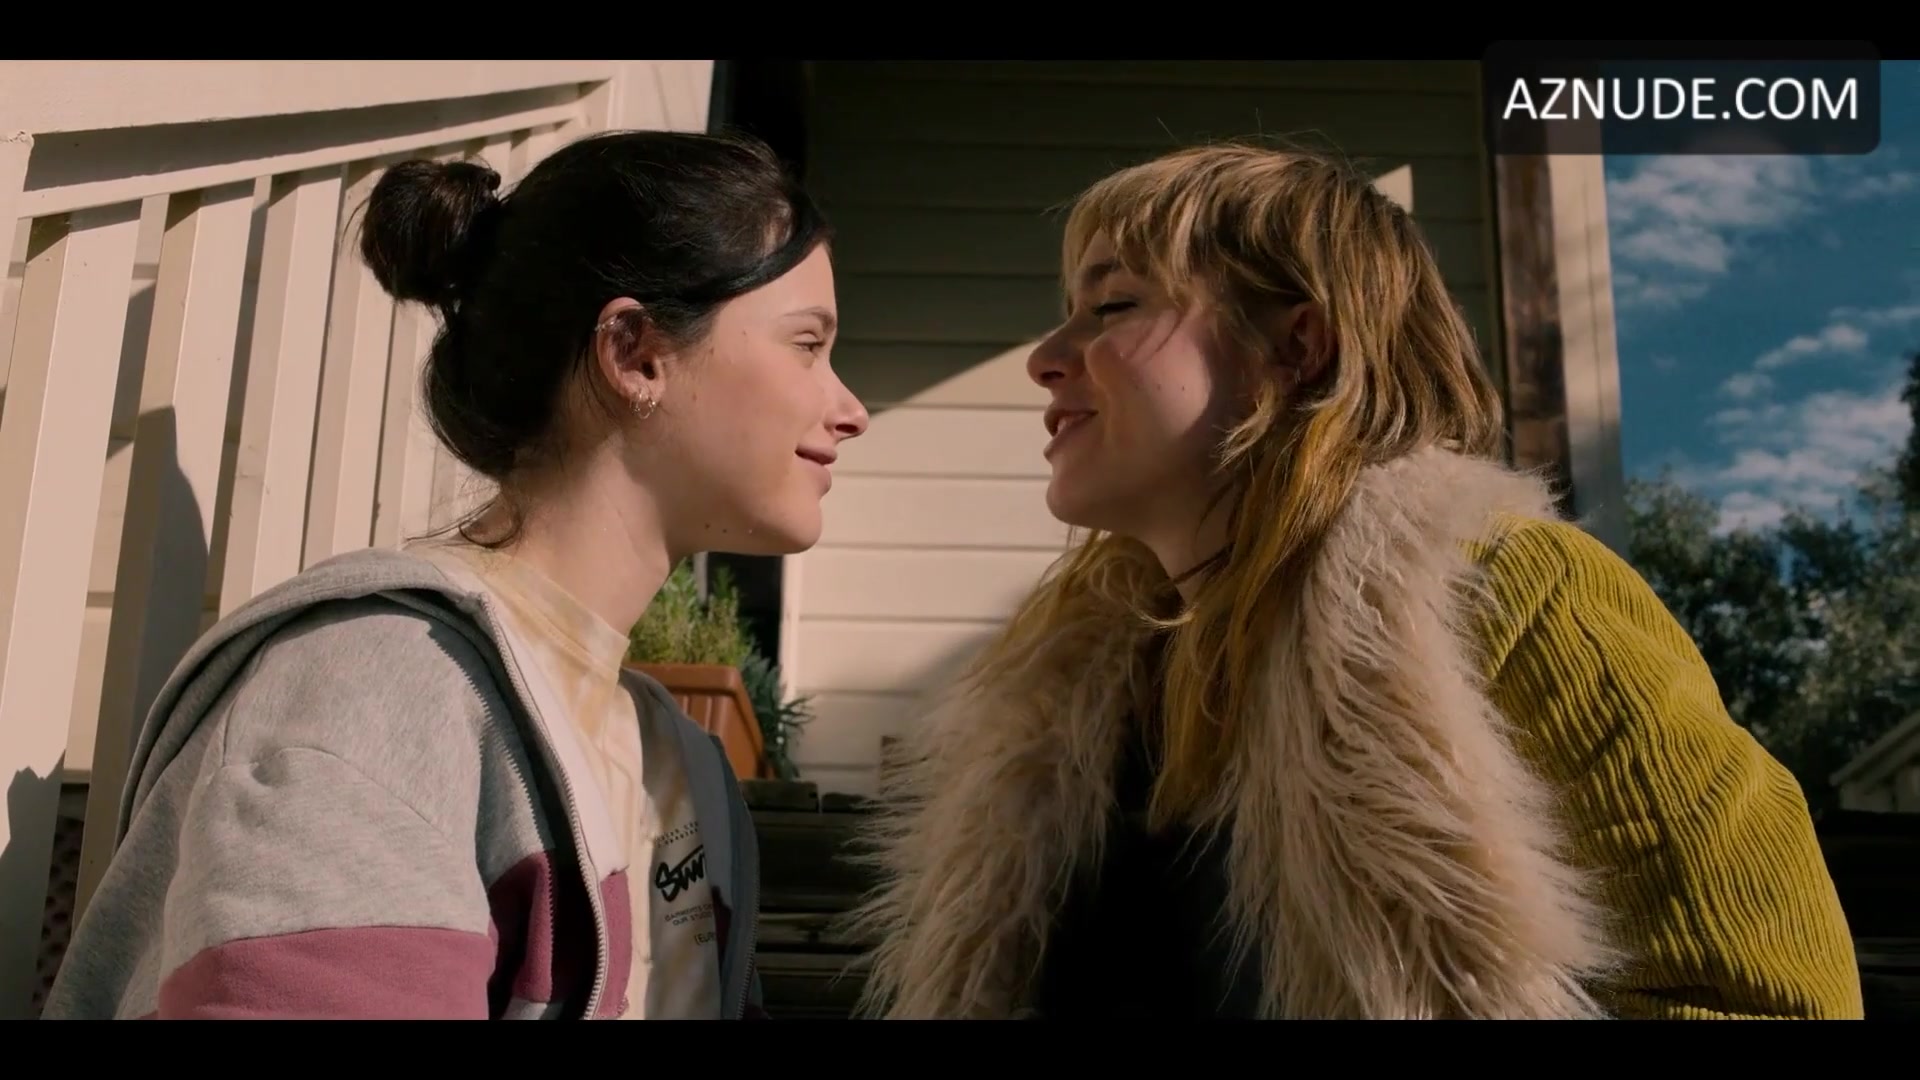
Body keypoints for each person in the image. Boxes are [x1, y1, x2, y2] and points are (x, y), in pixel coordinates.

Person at [850, 142, 1864, 1020]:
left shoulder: (1512, 595)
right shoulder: (1070, 696)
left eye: (1113, 305)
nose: (1046, 357)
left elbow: (1763, 993)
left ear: (1297, 348)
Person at [44, 129, 868, 1020]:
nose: (850, 409)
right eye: (807, 344)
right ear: (636, 354)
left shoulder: (685, 769)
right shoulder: (374, 691)